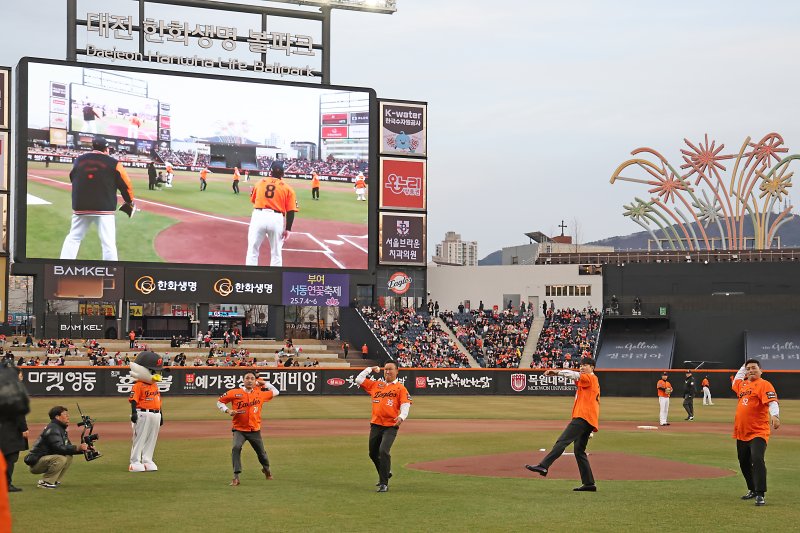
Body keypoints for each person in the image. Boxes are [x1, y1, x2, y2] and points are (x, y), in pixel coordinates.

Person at [525, 356, 600, 491]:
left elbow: (574, 375)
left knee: (562, 441)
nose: (582, 367)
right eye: (581, 365)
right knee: (579, 451)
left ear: (592, 368)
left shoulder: (591, 378)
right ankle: (589, 483)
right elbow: (576, 378)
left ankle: (544, 465)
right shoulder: (589, 381)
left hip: (582, 418)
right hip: (588, 419)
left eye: (585, 365)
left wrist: (556, 372)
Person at [59, 137, 135, 261]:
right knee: (108, 243)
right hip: (104, 208)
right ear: (106, 148)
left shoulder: (79, 160)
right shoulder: (114, 163)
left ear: (93, 147)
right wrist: (129, 201)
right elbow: (126, 185)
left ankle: (63, 265)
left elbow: (73, 177)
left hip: (81, 206)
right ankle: (111, 270)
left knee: (74, 237)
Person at [355, 362, 412, 492]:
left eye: (390, 369)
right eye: (385, 369)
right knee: (372, 453)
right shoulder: (376, 385)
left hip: (390, 426)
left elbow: (405, 404)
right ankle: (386, 471)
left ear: (397, 371)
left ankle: (383, 483)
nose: (387, 371)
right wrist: (370, 368)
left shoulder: (400, 388)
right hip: (375, 424)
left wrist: (402, 417)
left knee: (383, 451)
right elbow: (358, 379)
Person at [216, 371, 280, 486]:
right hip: (239, 429)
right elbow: (220, 402)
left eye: (252, 378)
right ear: (243, 380)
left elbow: (276, 391)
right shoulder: (234, 393)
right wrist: (228, 410)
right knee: (236, 447)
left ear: (255, 381)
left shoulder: (260, 393)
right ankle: (236, 477)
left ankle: (266, 469)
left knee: (261, 453)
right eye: (247, 378)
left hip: (254, 430)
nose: (249, 380)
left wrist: (264, 383)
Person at [732, 359, 780, 506]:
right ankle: (752, 489)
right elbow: (737, 378)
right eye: (748, 369)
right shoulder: (742, 384)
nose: (751, 370)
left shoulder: (764, 384)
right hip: (741, 432)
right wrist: (743, 365)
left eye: (754, 368)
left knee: (757, 458)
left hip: (758, 431)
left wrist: (775, 415)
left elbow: (772, 401)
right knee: (744, 462)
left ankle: (760, 494)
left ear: (761, 370)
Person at [245, 160, 298, 267]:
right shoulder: (288, 188)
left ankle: (249, 276)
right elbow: (291, 210)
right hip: (276, 218)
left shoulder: (260, 183)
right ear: (283, 174)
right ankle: (275, 278)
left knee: (252, 250)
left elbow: (253, 200)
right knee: (276, 252)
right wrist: (288, 229)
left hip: (259, 216)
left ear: (270, 172)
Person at [25, 406, 88, 489]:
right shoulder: (53, 428)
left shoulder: (60, 428)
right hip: (36, 463)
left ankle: (54, 480)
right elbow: (58, 448)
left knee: (68, 456)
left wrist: (83, 450)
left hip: (44, 459)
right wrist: (77, 448)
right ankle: (45, 482)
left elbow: (67, 448)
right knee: (60, 459)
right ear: (57, 417)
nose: (68, 416)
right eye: (65, 414)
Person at [0, 366, 28, 492]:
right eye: (20, 375)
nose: (22, 377)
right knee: (10, 457)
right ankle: (6, 484)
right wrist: (24, 428)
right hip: (10, 431)